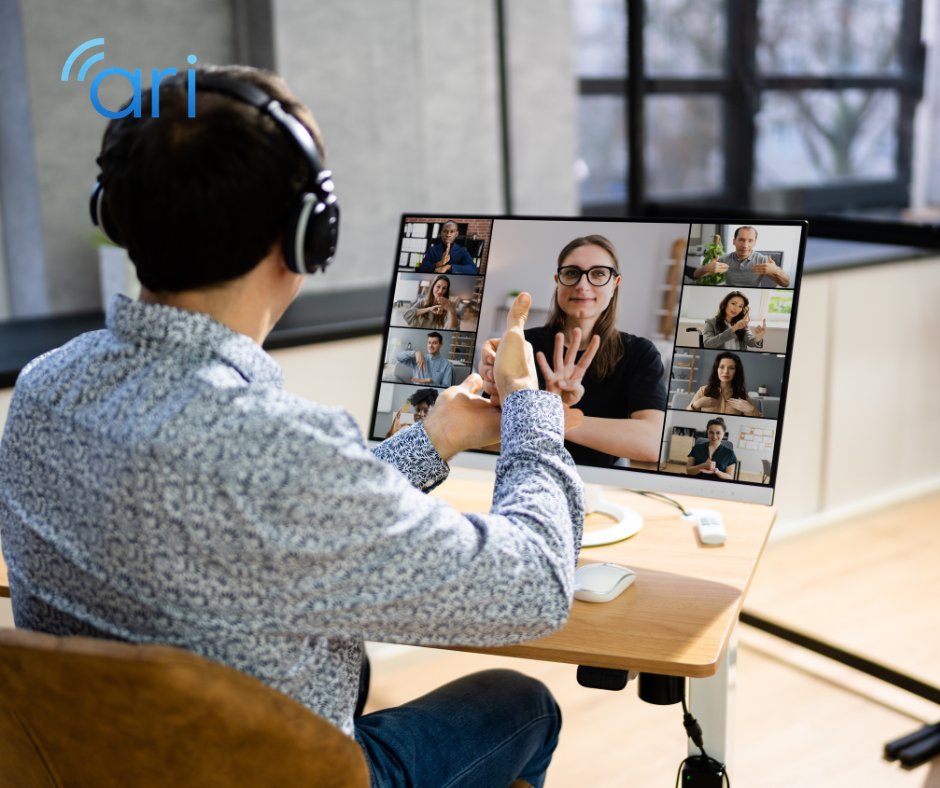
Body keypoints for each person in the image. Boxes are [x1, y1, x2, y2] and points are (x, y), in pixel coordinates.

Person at [0, 65, 592, 788]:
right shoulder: (280, 450)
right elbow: (532, 587)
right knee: (523, 706)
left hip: (97, 768)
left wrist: (434, 439)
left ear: (115, 213)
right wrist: (532, 407)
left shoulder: (42, 393)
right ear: (309, 234)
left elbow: (271, 524)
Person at [480, 235, 666, 466]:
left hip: (597, 483)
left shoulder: (640, 353)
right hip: (524, 472)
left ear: (614, 284)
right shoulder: (522, 344)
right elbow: (482, 441)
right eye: (572, 273)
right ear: (558, 281)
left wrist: (551, 415)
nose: (582, 285)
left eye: (598, 273)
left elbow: (651, 443)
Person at [693, 226, 790, 288]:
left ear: (755, 243)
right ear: (734, 241)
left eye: (750, 241)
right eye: (741, 240)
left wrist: (777, 271)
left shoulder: (763, 260)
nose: (745, 245)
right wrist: (705, 268)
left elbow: (786, 284)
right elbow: (696, 275)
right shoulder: (725, 259)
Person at [687, 352, 762, 417]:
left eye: (731, 368)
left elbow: (760, 424)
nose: (726, 371)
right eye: (722, 367)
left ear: (736, 371)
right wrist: (696, 404)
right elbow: (685, 416)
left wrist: (749, 409)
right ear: (717, 369)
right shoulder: (703, 391)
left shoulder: (743, 396)